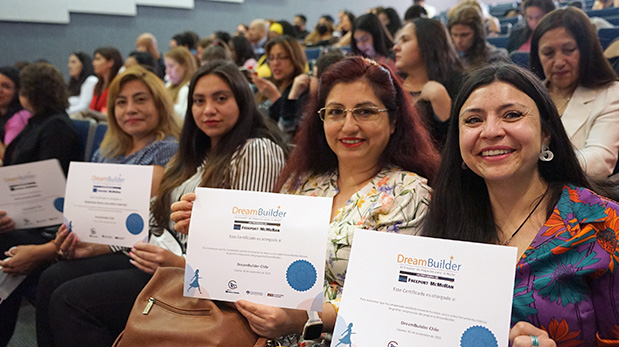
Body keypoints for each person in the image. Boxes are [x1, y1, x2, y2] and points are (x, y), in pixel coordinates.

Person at [172, 56, 440, 346]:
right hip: (267, 334)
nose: (348, 126)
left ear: (393, 121)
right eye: (336, 112)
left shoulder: (408, 192)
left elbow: (388, 301)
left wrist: (298, 319)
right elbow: (259, 261)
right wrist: (211, 236)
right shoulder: (304, 182)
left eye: (365, 112)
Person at [40, 60, 287, 347]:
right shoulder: (197, 152)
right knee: (53, 277)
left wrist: (181, 264)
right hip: (161, 257)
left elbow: (247, 242)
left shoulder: (256, 149)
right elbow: (154, 214)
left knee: (70, 299)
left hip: (197, 277)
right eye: (199, 100)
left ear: (243, 102)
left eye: (221, 99)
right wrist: (101, 245)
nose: (208, 110)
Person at [422, 63, 619, 346]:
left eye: (512, 115)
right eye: (473, 120)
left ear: (547, 133)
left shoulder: (602, 223)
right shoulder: (445, 220)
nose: (490, 131)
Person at [0, 62, 80, 346]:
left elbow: (47, 188)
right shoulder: (35, 122)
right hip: (24, 214)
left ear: (30, 93)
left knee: (4, 245)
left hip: (45, 222)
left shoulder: (56, 127)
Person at [530, 7, 619, 178]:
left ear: (586, 51)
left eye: (568, 50)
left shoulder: (611, 93)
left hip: (576, 194)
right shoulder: (528, 93)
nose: (559, 62)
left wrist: (534, 167)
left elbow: (599, 160)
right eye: (548, 53)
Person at [393, 18, 465, 149]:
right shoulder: (392, 84)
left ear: (427, 44)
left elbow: (459, 144)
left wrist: (441, 102)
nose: (396, 47)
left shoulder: (459, 84)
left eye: (405, 40)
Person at [252, 35, 306, 127]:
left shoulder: (301, 88)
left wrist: (275, 98)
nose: (275, 63)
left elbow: (288, 129)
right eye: (271, 58)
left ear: (294, 59)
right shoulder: (266, 85)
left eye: (281, 57)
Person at [448, 5, 510, 71]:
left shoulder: (496, 57)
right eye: (454, 35)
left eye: (465, 35)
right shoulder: (451, 57)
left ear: (478, 33)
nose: (458, 41)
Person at [0, 66, 31, 157]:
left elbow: (9, 157)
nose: (0, 90)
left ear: (17, 91)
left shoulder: (21, 117)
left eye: (6, 86)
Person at [164, 46, 198, 119]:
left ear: (185, 66)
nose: (167, 71)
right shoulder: (168, 85)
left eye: (171, 66)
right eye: (166, 67)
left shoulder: (188, 89)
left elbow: (183, 117)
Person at [89, 47, 123, 114]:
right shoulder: (97, 86)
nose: (93, 63)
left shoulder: (118, 85)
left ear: (110, 63)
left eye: (98, 59)